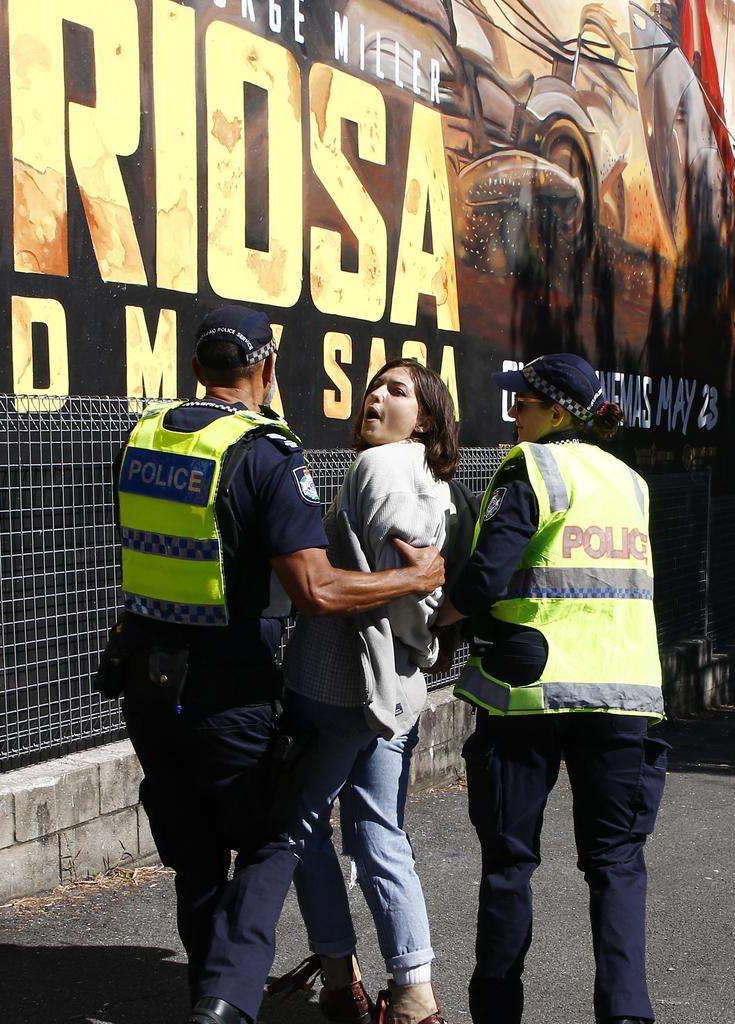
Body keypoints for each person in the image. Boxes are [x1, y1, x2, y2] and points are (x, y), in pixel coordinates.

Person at [111, 308, 445, 1024]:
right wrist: (414, 583)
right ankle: (228, 1001)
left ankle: (211, 990)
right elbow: (317, 589)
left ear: (197, 370)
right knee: (274, 836)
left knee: (196, 858)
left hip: (146, 684)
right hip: (229, 687)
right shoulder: (265, 452)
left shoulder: (142, 437)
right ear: (266, 367)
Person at [437, 353, 669, 1024]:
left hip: (529, 695)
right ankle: (627, 1016)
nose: (514, 412)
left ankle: (498, 1013)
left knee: (510, 866)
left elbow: (485, 579)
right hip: (623, 700)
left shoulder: (533, 468)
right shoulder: (631, 483)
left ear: (558, 413)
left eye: (525, 403)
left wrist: (437, 617)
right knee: (617, 864)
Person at [273, 359, 460, 1024]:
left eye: (398, 391)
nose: (376, 396)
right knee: (378, 830)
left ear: (428, 418)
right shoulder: (437, 481)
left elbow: (398, 576)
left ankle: (336, 973)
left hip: (335, 682)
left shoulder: (379, 467)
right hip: (396, 692)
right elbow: (430, 584)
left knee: (297, 823)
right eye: (374, 387)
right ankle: (415, 994)